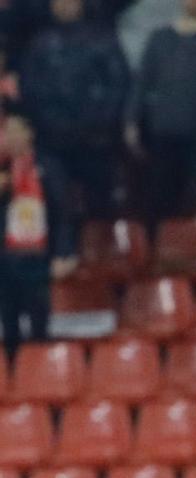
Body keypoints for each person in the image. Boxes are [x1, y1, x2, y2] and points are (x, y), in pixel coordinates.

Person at [18, 0, 128, 217]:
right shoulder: (40, 43)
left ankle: (98, 250)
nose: (63, 5)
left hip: (95, 141)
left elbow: (118, 85)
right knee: (56, 203)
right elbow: (29, 88)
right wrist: (51, 124)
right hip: (52, 142)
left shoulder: (102, 38)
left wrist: (96, 123)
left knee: (100, 205)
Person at [127, 0, 196, 224]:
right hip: (163, 134)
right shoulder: (160, 38)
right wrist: (131, 120)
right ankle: (157, 253)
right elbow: (142, 82)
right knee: (159, 198)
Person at [0, 114, 74, 360]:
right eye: (5, 131)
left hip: (36, 256)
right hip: (5, 258)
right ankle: (13, 379)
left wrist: (63, 252)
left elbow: (63, 212)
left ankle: (40, 372)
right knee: (8, 324)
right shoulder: (2, 169)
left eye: (14, 130)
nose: (9, 137)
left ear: (29, 133)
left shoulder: (48, 167)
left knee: (39, 321)